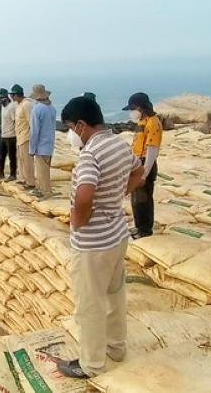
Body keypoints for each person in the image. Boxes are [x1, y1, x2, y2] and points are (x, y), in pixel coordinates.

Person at [56, 96, 145, 379]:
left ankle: (91, 364)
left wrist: (77, 223)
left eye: (70, 127)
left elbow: (84, 195)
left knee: (90, 305)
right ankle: (116, 349)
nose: (70, 132)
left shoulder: (90, 155)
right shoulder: (119, 144)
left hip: (92, 244)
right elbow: (139, 172)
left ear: (81, 125)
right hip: (117, 236)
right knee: (114, 295)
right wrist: (117, 195)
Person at [122, 92, 162, 239]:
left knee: (144, 199)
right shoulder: (142, 122)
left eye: (133, 109)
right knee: (136, 199)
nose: (131, 112)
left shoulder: (153, 123)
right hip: (137, 162)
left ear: (141, 107)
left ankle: (145, 230)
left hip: (146, 164)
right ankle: (138, 226)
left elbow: (152, 150)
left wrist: (144, 173)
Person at [29, 85, 57, 198]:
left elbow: (34, 131)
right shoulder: (52, 108)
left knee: (41, 171)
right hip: (50, 143)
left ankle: (45, 191)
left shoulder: (37, 109)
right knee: (46, 168)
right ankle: (42, 189)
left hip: (41, 145)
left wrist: (32, 148)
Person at [10, 84, 36, 190]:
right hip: (20, 136)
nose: (11, 97)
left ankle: (30, 182)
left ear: (17, 95)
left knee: (27, 160)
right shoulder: (19, 104)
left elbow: (31, 122)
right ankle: (23, 178)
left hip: (26, 137)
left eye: (12, 95)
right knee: (21, 159)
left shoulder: (27, 105)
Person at [0, 89, 17, 181]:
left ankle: (13, 174)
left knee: (12, 157)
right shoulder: (2, 107)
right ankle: (0, 173)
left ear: (5, 98)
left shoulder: (11, 107)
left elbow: (15, 121)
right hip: (3, 135)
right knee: (1, 156)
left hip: (11, 136)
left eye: (0, 98)